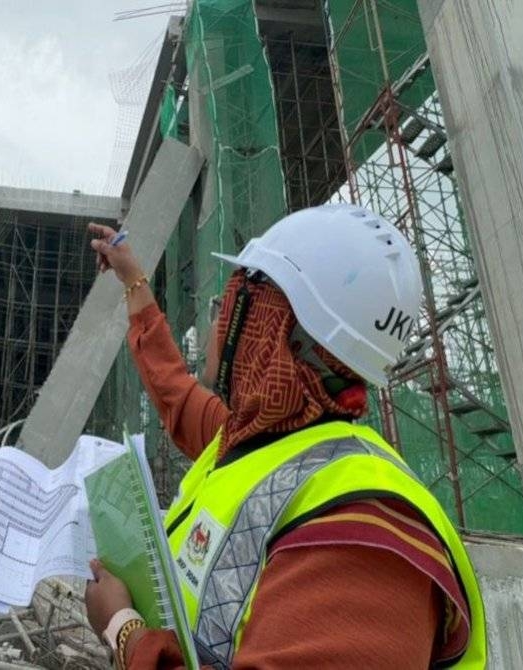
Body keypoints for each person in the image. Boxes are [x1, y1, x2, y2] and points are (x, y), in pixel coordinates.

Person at [84, 204, 485, 669]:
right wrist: (133, 280)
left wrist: (125, 630)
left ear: (269, 332)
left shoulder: (367, 530)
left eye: (226, 307)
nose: (217, 324)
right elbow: (174, 391)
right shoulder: (264, 443)